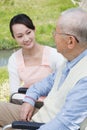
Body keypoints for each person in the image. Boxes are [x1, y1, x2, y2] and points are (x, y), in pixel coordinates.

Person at [0, 7, 87, 130]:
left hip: (45, 125)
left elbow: (65, 124)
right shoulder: (69, 61)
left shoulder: (84, 78)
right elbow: (43, 84)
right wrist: (29, 100)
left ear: (70, 41)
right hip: (39, 113)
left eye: (56, 33)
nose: (53, 36)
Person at [7, 13, 65, 102]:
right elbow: (14, 93)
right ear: (14, 37)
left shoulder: (53, 55)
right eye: (20, 36)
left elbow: (64, 85)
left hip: (52, 104)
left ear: (34, 29)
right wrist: (29, 100)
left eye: (28, 32)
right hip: (26, 103)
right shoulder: (14, 59)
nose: (26, 39)